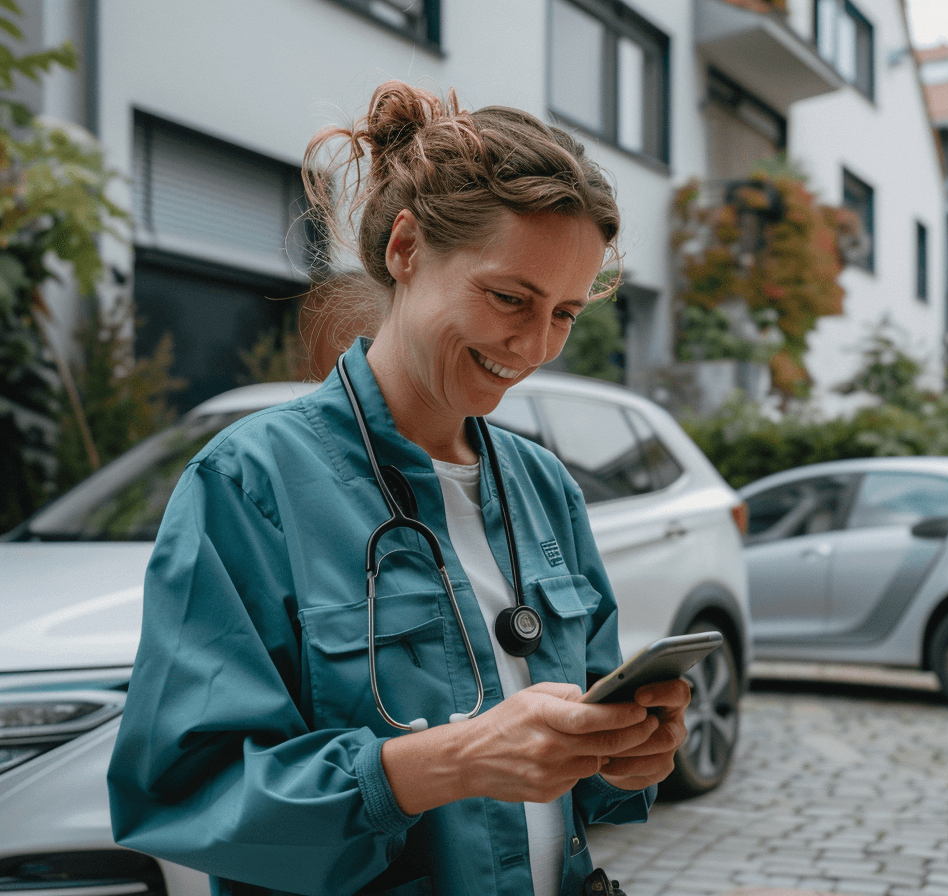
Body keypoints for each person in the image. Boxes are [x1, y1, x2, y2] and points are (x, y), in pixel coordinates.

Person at [107, 80, 690, 896]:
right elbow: (183, 792)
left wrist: (626, 758)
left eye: (563, 313)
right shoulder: (251, 484)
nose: (533, 346)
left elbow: (578, 785)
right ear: (406, 249)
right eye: (509, 298)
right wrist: (445, 763)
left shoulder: (544, 490)